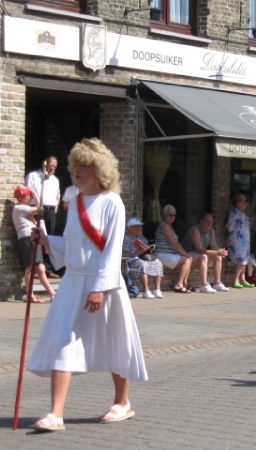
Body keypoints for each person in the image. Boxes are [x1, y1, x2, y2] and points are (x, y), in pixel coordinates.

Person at [26, 138, 147, 432]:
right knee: (61, 340)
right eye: (75, 166)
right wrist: (45, 240)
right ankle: (56, 413)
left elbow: (113, 249)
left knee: (115, 339)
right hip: (73, 282)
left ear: (100, 170)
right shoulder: (76, 201)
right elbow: (71, 245)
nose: (77, 171)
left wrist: (100, 287)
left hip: (102, 282)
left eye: (84, 166)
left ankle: (122, 402)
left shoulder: (112, 202)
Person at [12, 185, 56, 303]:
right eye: (27, 196)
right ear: (22, 197)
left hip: (32, 238)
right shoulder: (20, 208)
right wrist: (34, 192)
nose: (29, 198)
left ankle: (52, 293)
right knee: (30, 268)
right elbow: (40, 208)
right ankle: (30, 295)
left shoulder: (25, 211)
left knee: (41, 268)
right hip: (27, 238)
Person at [26, 156, 61, 278]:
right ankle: (36, 267)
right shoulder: (34, 176)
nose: (52, 168)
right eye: (51, 165)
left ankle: (48, 268)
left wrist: (56, 206)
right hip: (38, 209)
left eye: (55, 166)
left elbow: (58, 196)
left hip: (50, 210)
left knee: (49, 237)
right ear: (45, 164)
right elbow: (28, 191)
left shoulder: (55, 180)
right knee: (37, 236)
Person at [182, 213, 230, 294]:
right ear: (201, 221)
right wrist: (216, 252)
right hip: (187, 253)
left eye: (211, 222)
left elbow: (214, 247)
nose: (209, 223)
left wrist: (221, 251)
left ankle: (217, 283)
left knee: (218, 256)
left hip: (198, 253)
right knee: (204, 256)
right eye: (207, 221)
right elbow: (199, 250)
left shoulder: (211, 231)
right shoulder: (195, 230)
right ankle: (204, 285)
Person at [154, 205, 194, 293]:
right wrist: (185, 254)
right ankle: (179, 285)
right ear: (164, 215)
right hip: (162, 254)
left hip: (169, 254)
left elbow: (177, 242)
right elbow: (173, 243)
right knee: (187, 260)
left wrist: (184, 253)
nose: (172, 217)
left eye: (174, 215)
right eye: (170, 215)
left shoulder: (170, 226)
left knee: (188, 259)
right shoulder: (164, 226)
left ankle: (184, 284)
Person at [122, 217, 163, 299]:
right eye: (136, 226)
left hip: (144, 257)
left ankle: (157, 289)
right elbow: (122, 254)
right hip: (132, 259)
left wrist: (149, 249)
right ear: (130, 228)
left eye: (139, 226)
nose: (138, 228)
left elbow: (145, 250)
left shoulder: (142, 238)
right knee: (142, 264)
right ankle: (146, 290)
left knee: (158, 262)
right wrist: (134, 253)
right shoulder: (125, 238)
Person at [225, 194, 254, 289]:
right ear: (238, 203)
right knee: (240, 260)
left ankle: (243, 279)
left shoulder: (243, 213)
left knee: (244, 260)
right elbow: (230, 226)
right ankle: (236, 280)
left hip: (244, 242)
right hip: (237, 241)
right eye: (244, 202)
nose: (246, 204)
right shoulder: (234, 212)